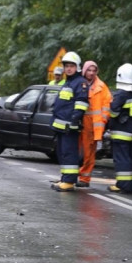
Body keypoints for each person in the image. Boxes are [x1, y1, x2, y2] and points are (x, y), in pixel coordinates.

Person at [50, 51, 89, 192]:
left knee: (69, 153)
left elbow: (81, 105)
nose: (68, 68)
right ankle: (65, 177)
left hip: (69, 127)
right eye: (66, 66)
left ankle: (69, 181)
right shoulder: (68, 82)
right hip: (61, 126)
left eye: (71, 66)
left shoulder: (80, 83)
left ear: (77, 67)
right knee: (62, 152)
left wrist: (74, 121)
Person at [107, 64, 132, 193]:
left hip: (121, 131)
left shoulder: (122, 94)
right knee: (129, 158)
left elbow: (113, 112)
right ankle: (130, 184)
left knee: (121, 159)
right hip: (131, 131)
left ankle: (123, 185)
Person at [76, 60, 111, 189]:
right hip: (77, 122)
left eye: (94, 70)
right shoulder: (78, 83)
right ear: (84, 71)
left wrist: (102, 121)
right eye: (89, 70)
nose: (91, 73)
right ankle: (70, 176)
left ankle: (85, 178)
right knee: (74, 151)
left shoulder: (101, 87)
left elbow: (107, 106)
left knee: (88, 153)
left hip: (92, 125)